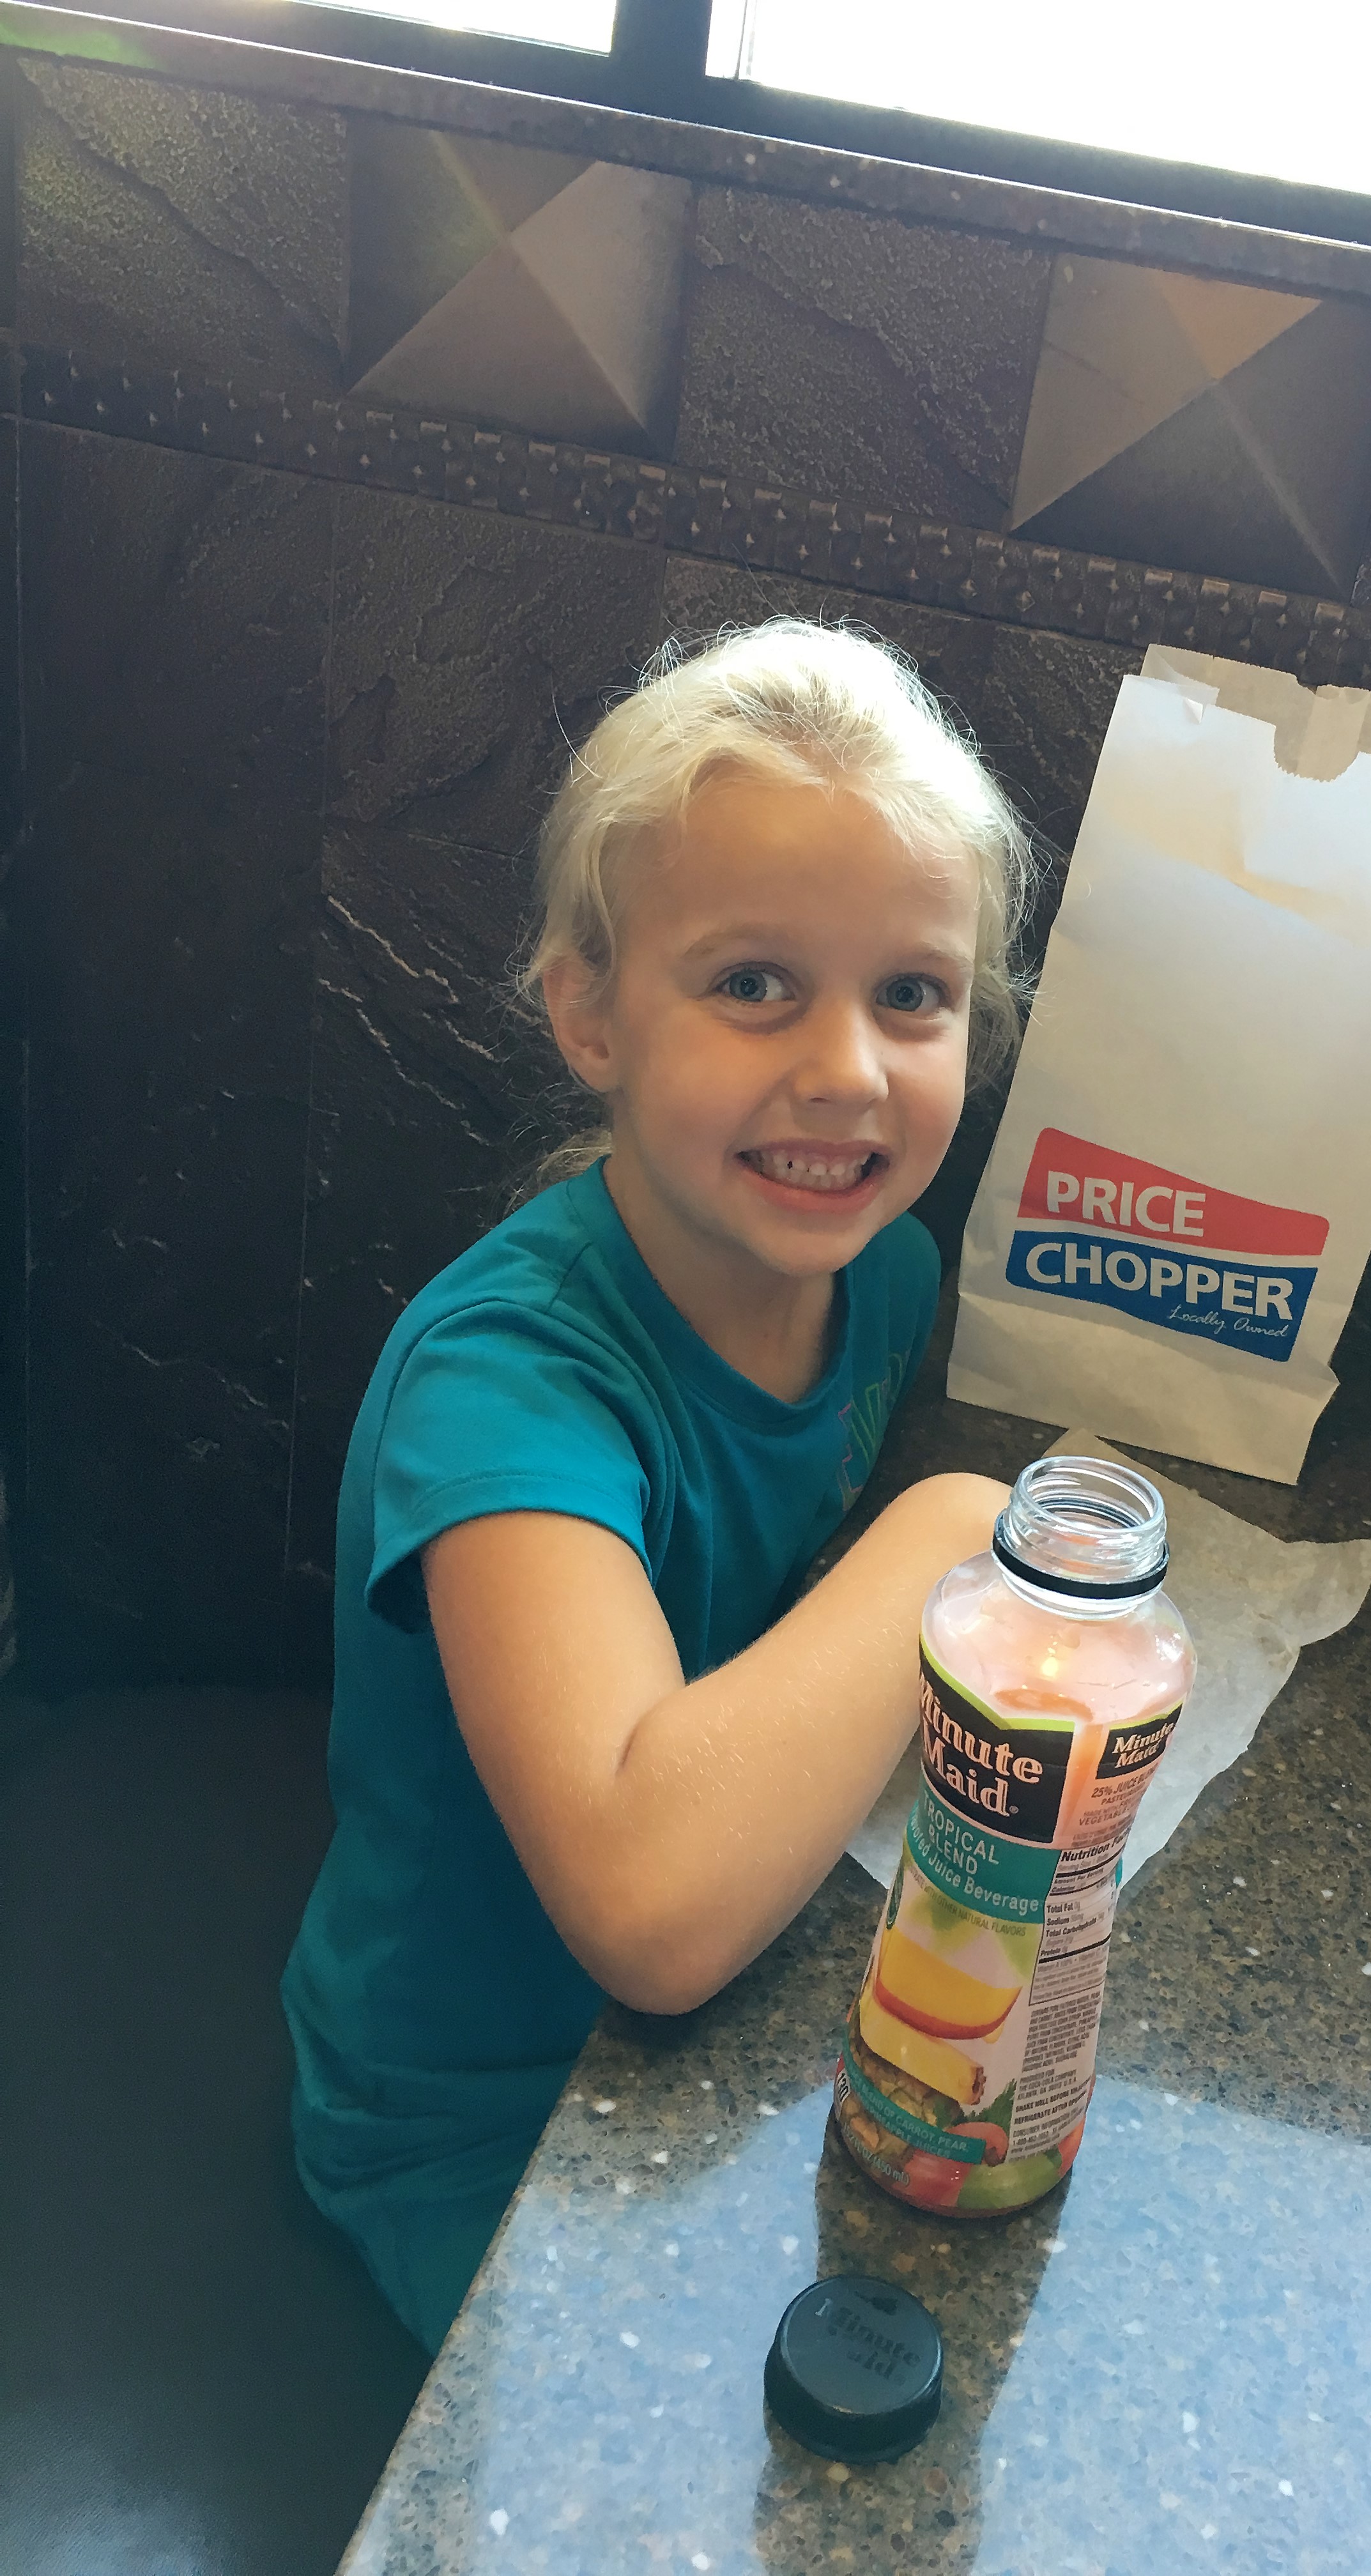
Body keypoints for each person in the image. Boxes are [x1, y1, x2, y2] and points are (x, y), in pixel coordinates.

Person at [280, 620, 1030, 2350]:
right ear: (590, 1012)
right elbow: (647, 1907)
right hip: (479, 2112)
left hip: (735, 2051)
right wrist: (945, 1531)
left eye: (912, 993)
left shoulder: (880, 1276)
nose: (847, 1070)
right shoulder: (508, 1386)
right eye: (754, 983)